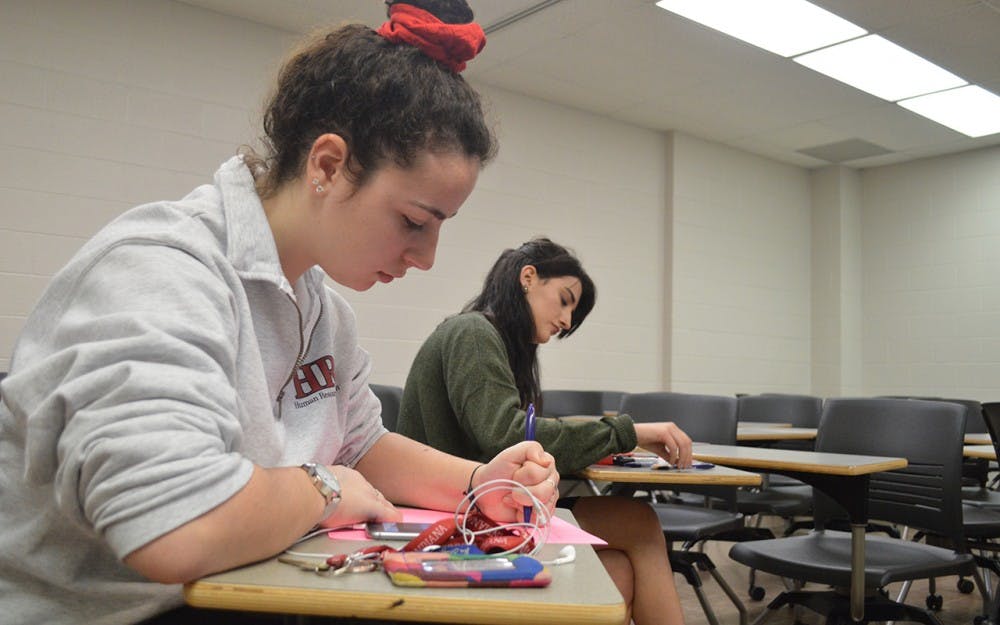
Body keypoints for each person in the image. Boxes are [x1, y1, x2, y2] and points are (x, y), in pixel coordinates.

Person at [0, 3, 560, 624]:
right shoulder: (161, 269)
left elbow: (362, 445)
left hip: (235, 590)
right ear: (327, 166)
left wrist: (483, 482)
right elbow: (172, 527)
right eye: (413, 221)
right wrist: (322, 488)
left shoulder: (323, 310)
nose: (426, 257)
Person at [397, 237, 694, 625]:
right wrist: (628, 432)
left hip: (472, 510)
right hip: (453, 519)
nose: (567, 321)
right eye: (565, 300)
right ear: (528, 277)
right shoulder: (473, 333)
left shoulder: (490, 340)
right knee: (638, 523)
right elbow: (507, 435)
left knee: (617, 570)